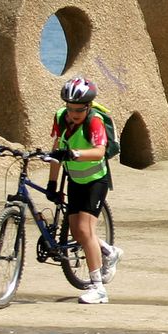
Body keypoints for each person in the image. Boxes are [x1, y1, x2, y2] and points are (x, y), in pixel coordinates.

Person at [47, 77, 123, 304]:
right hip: (74, 179)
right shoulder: (61, 118)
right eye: (70, 108)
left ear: (88, 106)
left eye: (79, 109)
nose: (74, 113)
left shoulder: (94, 122)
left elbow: (99, 152)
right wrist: (52, 183)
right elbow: (56, 149)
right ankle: (110, 252)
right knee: (77, 231)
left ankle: (98, 289)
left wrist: (75, 153)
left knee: (84, 230)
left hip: (95, 182)